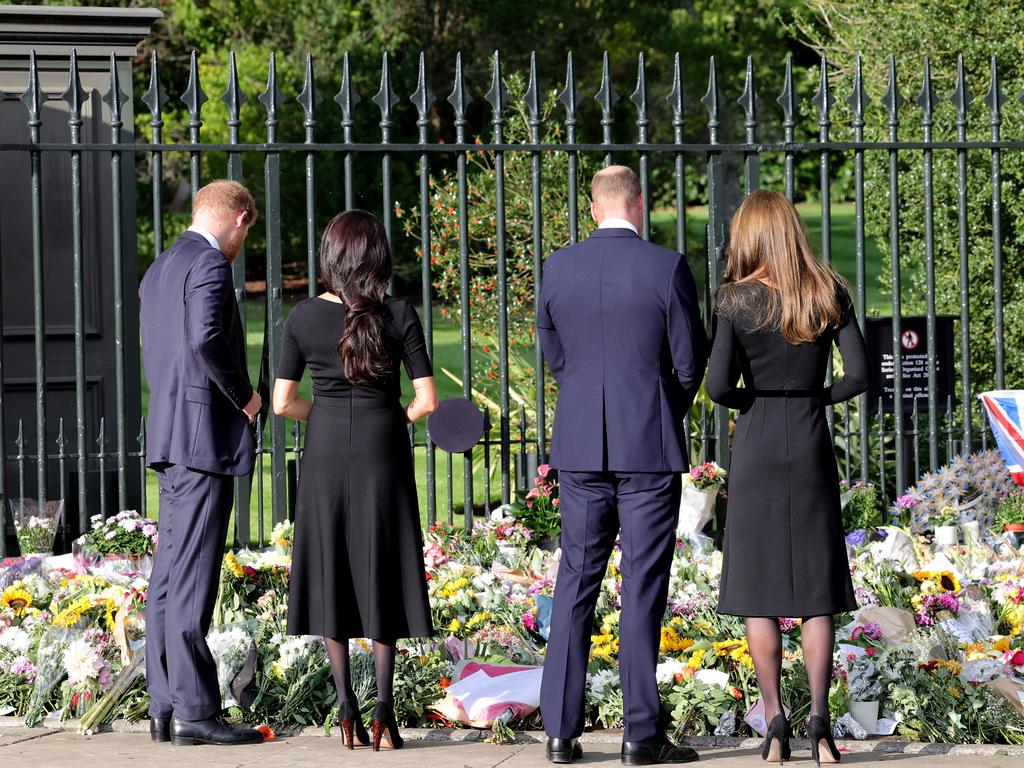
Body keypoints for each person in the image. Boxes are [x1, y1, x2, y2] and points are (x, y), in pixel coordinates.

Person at [537, 166, 707, 765]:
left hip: (582, 445)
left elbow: (555, 354)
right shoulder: (666, 267)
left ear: (593, 209)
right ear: (638, 205)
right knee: (642, 588)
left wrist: (588, 400)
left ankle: (560, 732)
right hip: (647, 448)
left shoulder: (558, 268)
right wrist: (659, 409)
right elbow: (690, 363)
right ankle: (640, 733)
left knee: (575, 582)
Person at [706, 189, 869, 766]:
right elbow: (861, 374)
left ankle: (775, 722)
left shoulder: (735, 300)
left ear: (749, 235)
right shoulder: (827, 290)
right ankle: (820, 725)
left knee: (759, 591)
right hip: (808, 437)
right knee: (816, 589)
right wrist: (815, 395)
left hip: (755, 442)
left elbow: (719, 386)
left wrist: (759, 398)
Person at [273, 209, 437, 751]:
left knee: (330, 567)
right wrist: (392, 419)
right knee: (381, 564)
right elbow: (427, 400)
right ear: (377, 257)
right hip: (382, 451)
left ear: (330, 258)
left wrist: (320, 415)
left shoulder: (301, 317)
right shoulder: (399, 313)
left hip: (322, 455)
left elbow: (281, 403)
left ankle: (345, 706)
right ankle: (385, 714)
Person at [140, 180, 265, 746]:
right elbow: (207, 338)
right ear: (238, 219)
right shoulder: (211, 266)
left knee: (168, 576)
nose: (244, 243)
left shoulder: (160, 267)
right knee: (192, 580)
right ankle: (195, 710)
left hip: (169, 438)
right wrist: (246, 396)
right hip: (201, 444)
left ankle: (164, 705)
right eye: (248, 231)